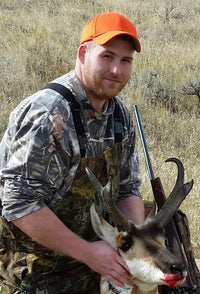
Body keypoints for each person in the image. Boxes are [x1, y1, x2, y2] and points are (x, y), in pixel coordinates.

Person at [0, 11, 145, 294]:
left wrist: (137, 243)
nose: (116, 70)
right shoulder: (49, 115)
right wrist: (89, 253)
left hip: (94, 256)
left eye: (125, 60)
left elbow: (128, 189)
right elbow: (19, 203)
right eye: (107, 56)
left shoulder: (119, 116)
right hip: (32, 268)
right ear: (83, 54)